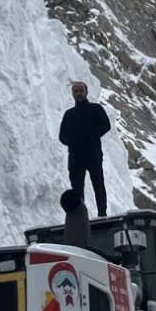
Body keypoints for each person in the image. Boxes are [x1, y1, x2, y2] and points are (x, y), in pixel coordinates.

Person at [58, 80, 111, 216]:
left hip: (93, 154)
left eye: (81, 90)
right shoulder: (69, 114)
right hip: (75, 156)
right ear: (72, 94)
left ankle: (102, 214)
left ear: (86, 92)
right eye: (76, 91)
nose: (79, 93)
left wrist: (91, 135)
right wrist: (71, 141)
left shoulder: (96, 108)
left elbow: (106, 125)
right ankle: (79, 216)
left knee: (98, 184)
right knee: (77, 188)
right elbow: (62, 135)